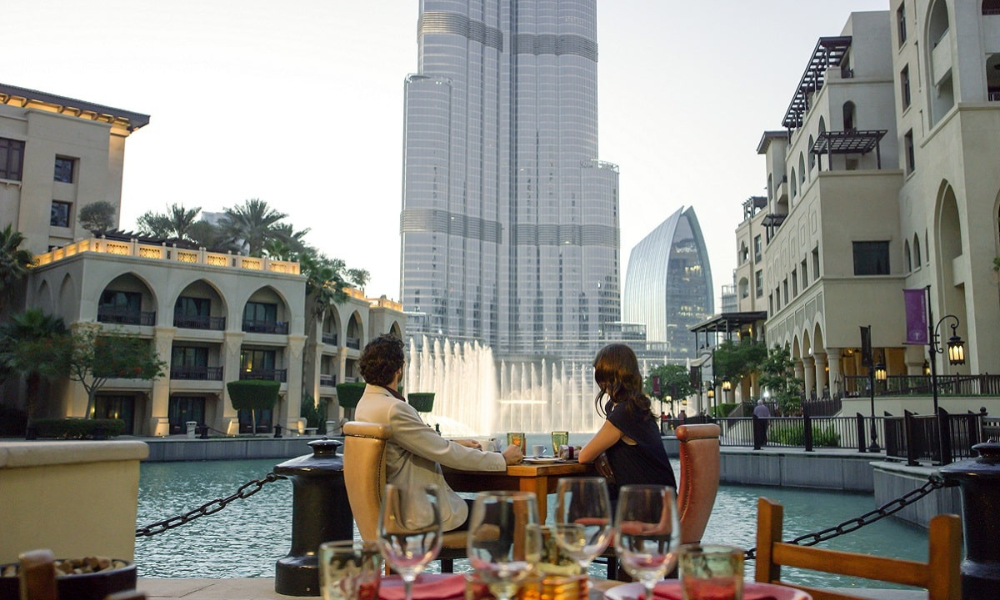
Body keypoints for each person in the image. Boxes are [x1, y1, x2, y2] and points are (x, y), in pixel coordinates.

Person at [355, 334, 523, 531]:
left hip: (395, 510)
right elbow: (446, 454)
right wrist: (502, 459)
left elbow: (414, 442)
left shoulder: (365, 405)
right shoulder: (393, 409)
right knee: (516, 514)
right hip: (421, 514)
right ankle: (493, 562)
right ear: (399, 369)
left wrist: (453, 443)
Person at [578, 344, 677, 504]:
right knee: (593, 495)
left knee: (583, 498)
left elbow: (584, 456)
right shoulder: (636, 406)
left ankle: (566, 526)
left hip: (648, 504)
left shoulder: (625, 412)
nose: (600, 383)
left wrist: (597, 453)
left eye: (601, 375)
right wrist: (602, 453)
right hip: (661, 499)